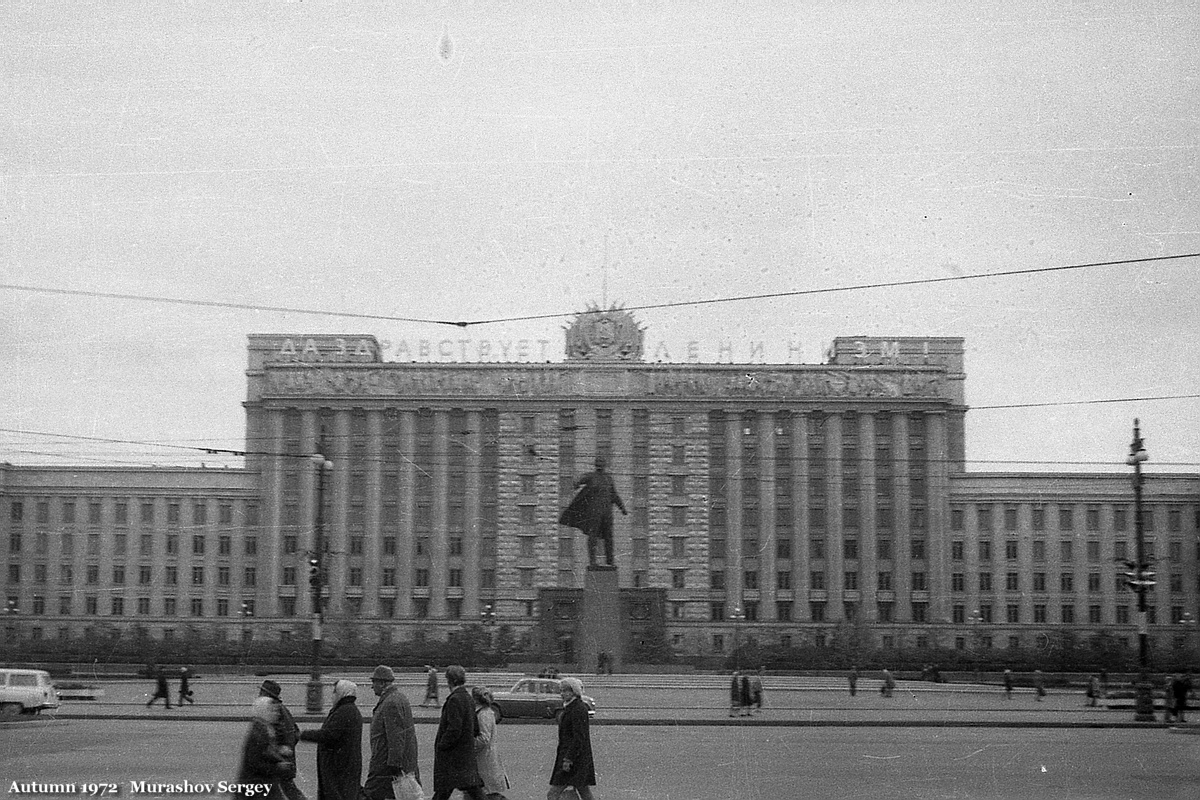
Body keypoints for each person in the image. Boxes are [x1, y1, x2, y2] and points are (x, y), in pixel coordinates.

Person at [299, 679, 363, 800]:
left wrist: (304, 734)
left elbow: (328, 735)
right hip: (344, 767)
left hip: (339, 769)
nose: (333, 695)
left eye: (335, 691)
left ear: (342, 693)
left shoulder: (344, 711)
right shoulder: (348, 710)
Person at [363, 665, 420, 800]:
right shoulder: (399, 698)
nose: (372, 686)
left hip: (385, 765)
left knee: (369, 795)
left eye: (374, 682)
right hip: (394, 764)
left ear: (383, 683)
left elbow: (396, 737)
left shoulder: (390, 703)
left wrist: (394, 765)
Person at [558, 456, 627, 566]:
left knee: (609, 537)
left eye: (601, 462)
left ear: (604, 465)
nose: (600, 464)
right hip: (594, 512)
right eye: (598, 462)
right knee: (593, 536)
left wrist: (622, 507)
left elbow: (614, 495)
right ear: (595, 465)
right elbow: (578, 483)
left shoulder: (608, 478)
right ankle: (593, 562)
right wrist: (576, 481)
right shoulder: (590, 476)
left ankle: (610, 561)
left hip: (607, 513)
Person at [431, 665, 486, 800]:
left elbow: (454, 728)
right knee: (472, 789)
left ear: (450, 681)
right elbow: (475, 728)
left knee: (444, 791)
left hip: (453, 757)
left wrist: (442, 745)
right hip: (465, 755)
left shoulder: (454, 699)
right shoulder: (467, 698)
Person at [548, 677, 598, 800]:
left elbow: (579, 738)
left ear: (574, 692)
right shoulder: (572, 707)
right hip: (576, 759)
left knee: (553, 793)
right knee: (584, 791)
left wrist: (568, 759)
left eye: (566, 691)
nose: (562, 694)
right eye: (561, 691)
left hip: (572, 760)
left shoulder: (577, 709)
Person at [236, 696, 291, 800]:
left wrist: (279, 751)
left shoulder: (265, 727)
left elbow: (266, 751)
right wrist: (278, 767)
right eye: (272, 711)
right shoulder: (258, 732)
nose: (277, 714)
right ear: (263, 711)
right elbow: (254, 762)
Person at [260, 680, 305, 800]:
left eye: (261, 692)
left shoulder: (273, 710)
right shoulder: (282, 709)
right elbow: (295, 733)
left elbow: (276, 736)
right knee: (288, 790)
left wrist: (277, 751)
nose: (259, 694)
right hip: (285, 760)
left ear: (267, 694)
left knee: (287, 791)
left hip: (280, 761)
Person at [472, 686, 510, 800]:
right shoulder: (483, 712)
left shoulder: (484, 714)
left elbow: (484, 738)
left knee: (486, 791)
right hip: (484, 758)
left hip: (485, 758)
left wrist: (470, 747)